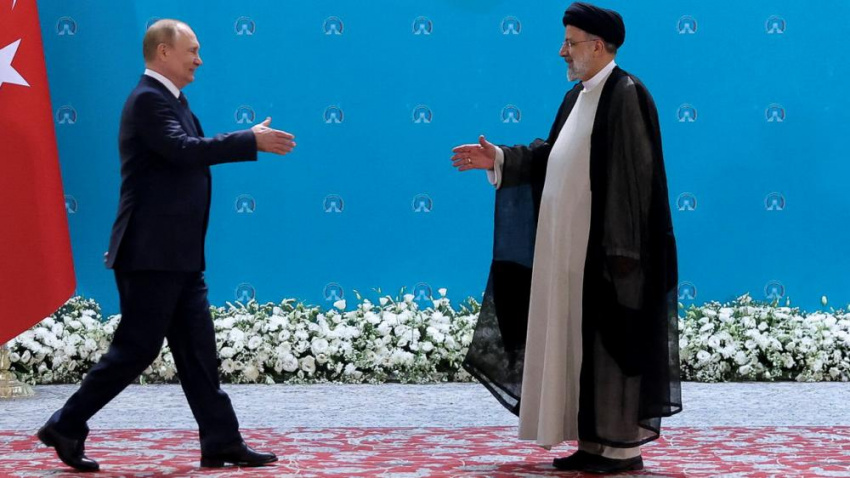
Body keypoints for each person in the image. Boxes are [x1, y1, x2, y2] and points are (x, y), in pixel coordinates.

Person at [37, 19, 296, 472]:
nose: (199, 59)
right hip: (151, 255)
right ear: (163, 51)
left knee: (198, 353)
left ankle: (221, 441)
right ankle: (66, 424)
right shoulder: (147, 100)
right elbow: (183, 150)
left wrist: (246, 139)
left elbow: (186, 152)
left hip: (176, 255)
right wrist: (248, 140)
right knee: (136, 349)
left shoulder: (171, 101)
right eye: (192, 50)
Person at [452, 2, 681, 474]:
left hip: (607, 255)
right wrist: (501, 158)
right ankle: (592, 441)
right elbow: (550, 156)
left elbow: (636, 181)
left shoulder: (627, 94)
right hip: (569, 253)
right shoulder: (577, 97)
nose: (562, 52)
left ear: (597, 46)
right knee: (578, 346)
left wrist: (622, 257)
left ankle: (620, 449)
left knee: (609, 345)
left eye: (570, 43)